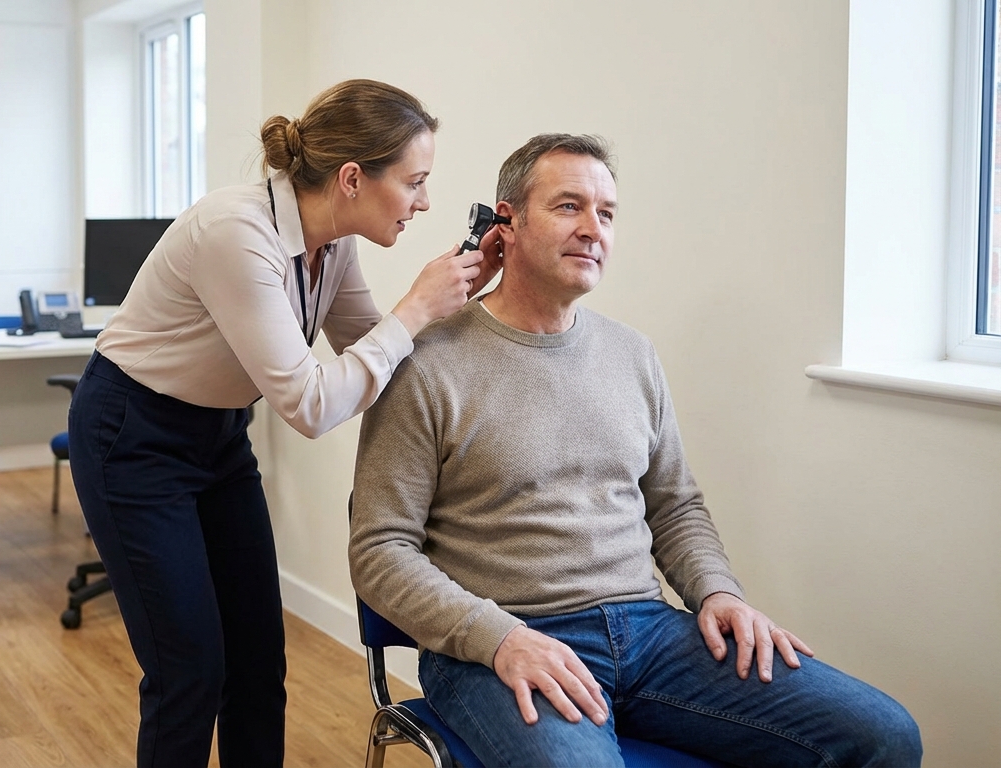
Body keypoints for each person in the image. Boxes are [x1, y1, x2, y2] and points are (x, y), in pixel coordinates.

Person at [348, 134, 922, 767]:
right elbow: (380, 551)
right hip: (501, 642)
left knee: (884, 736)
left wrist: (718, 593)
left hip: (650, 635)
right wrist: (500, 638)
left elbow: (674, 505)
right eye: (568, 206)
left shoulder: (632, 355)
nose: (593, 228)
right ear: (504, 223)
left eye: (607, 213)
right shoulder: (426, 362)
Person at [67, 79, 499, 768]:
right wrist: (415, 307)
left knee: (258, 663)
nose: (423, 202)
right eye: (415, 182)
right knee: (188, 672)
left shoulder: (334, 245)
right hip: (131, 433)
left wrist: (461, 298)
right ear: (352, 178)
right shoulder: (236, 232)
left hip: (218, 436)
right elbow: (312, 405)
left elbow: (380, 359)